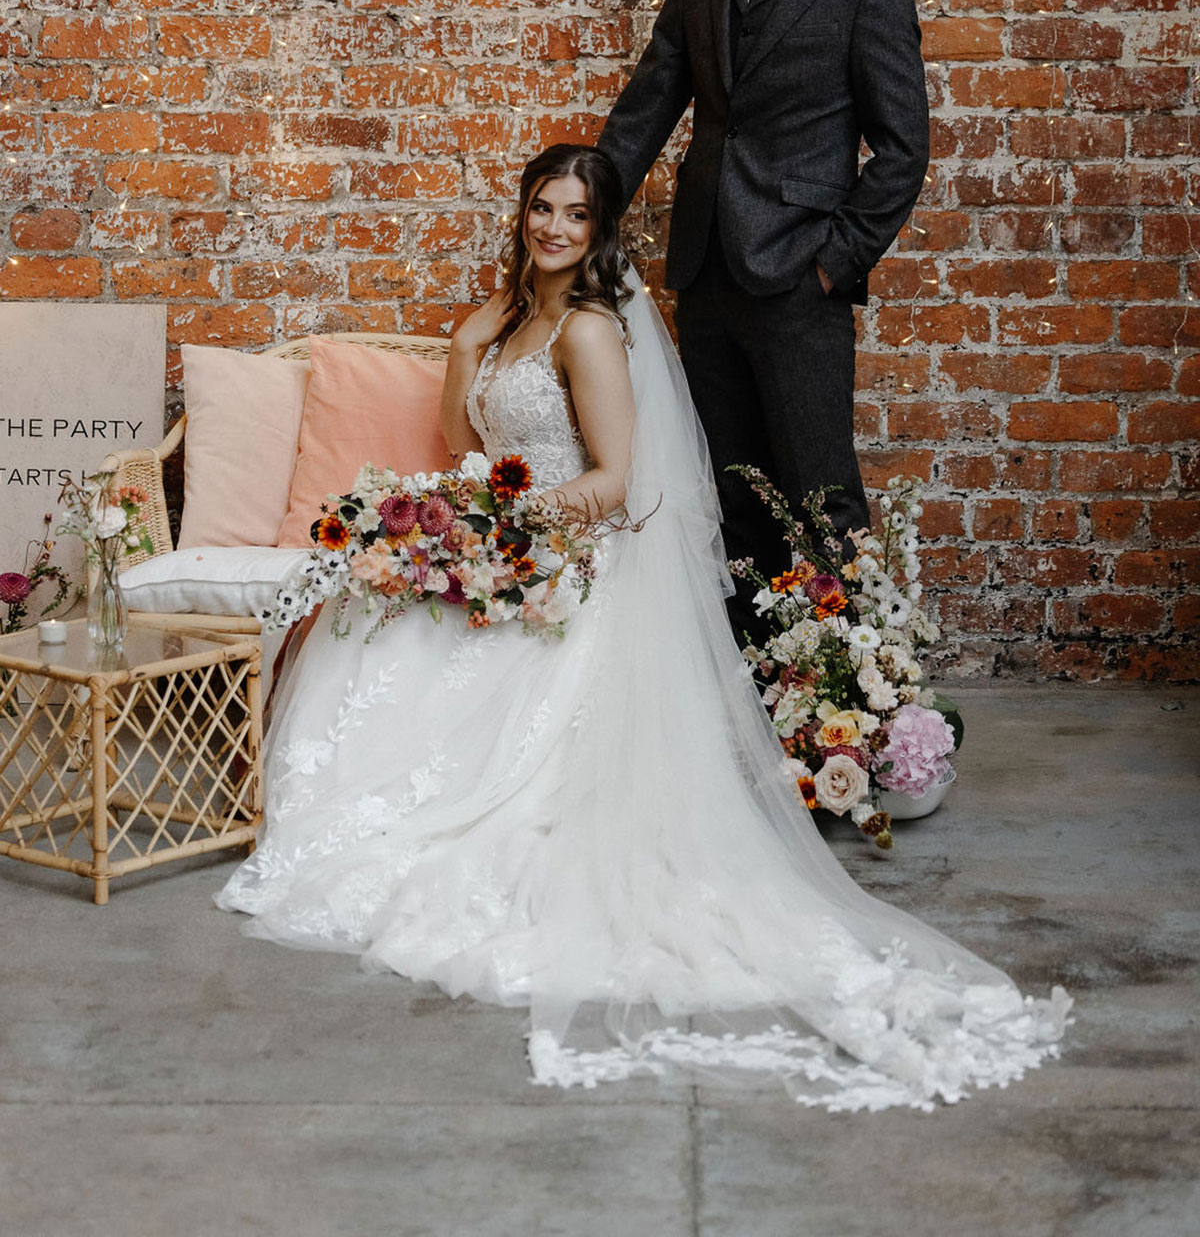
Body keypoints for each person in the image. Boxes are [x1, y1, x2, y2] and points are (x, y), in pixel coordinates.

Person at [218, 144, 1068, 1110]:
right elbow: (464, 446)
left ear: (600, 230)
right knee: (384, 627)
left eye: (576, 215)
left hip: (574, 551)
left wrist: (511, 529)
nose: (554, 228)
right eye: (543, 208)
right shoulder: (509, 326)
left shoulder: (585, 331)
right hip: (514, 539)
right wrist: (463, 355)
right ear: (524, 214)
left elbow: (616, 485)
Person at [598, 0, 930, 639]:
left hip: (799, 287)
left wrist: (833, 265)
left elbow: (903, 149)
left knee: (824, 508)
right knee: (735, 513)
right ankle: (755, 712)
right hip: (706, 281)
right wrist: (577, 212)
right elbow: (644, 113)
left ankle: (855, 727)